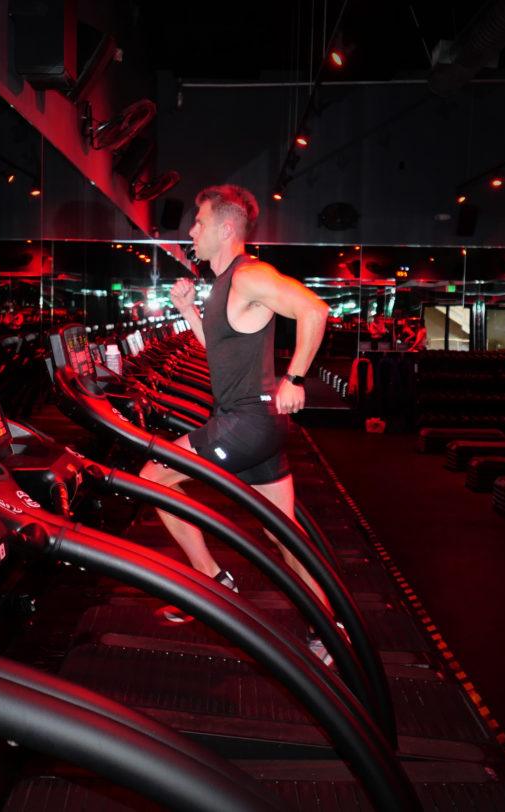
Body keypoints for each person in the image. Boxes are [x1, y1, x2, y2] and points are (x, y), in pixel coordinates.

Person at [145, 184, 335, 659]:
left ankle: (214, 581)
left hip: (246, 422)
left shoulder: (251, 275)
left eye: (199, 222)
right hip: (256, 424)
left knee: (153, 479)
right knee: (281, 530)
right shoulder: (226, 283)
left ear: (225, 228)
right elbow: (219, 351)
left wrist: (296, 378)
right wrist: (188, 309)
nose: (191, 230)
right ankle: (329, 631)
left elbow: (315, 309)